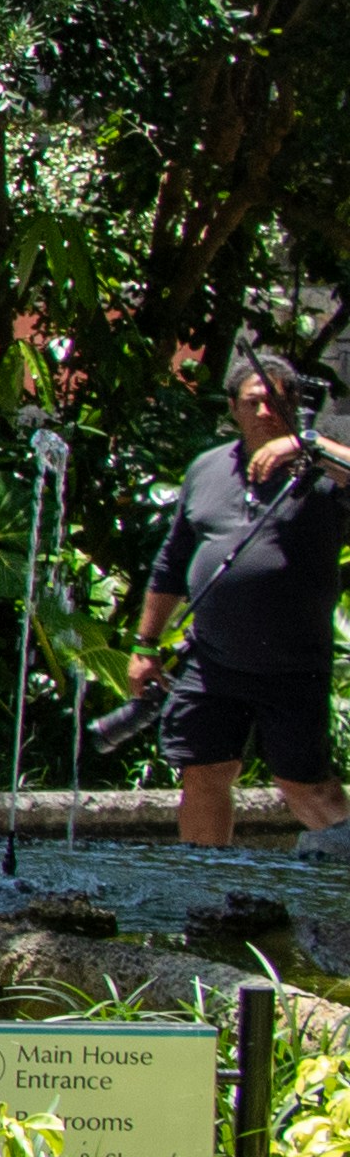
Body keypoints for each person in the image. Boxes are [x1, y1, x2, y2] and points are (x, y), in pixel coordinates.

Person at [127, 347, 350, 845]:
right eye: (254, 401)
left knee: (305, 788)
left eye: (279, 399)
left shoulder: (322, 468)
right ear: (233, 408)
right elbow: (170, 564)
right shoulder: (205, 470)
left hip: (292, 664)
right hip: (212, 662)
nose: (267, 410)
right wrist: (145, 644)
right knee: (203, 774)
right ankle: (206, 895)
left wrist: (308, 447)